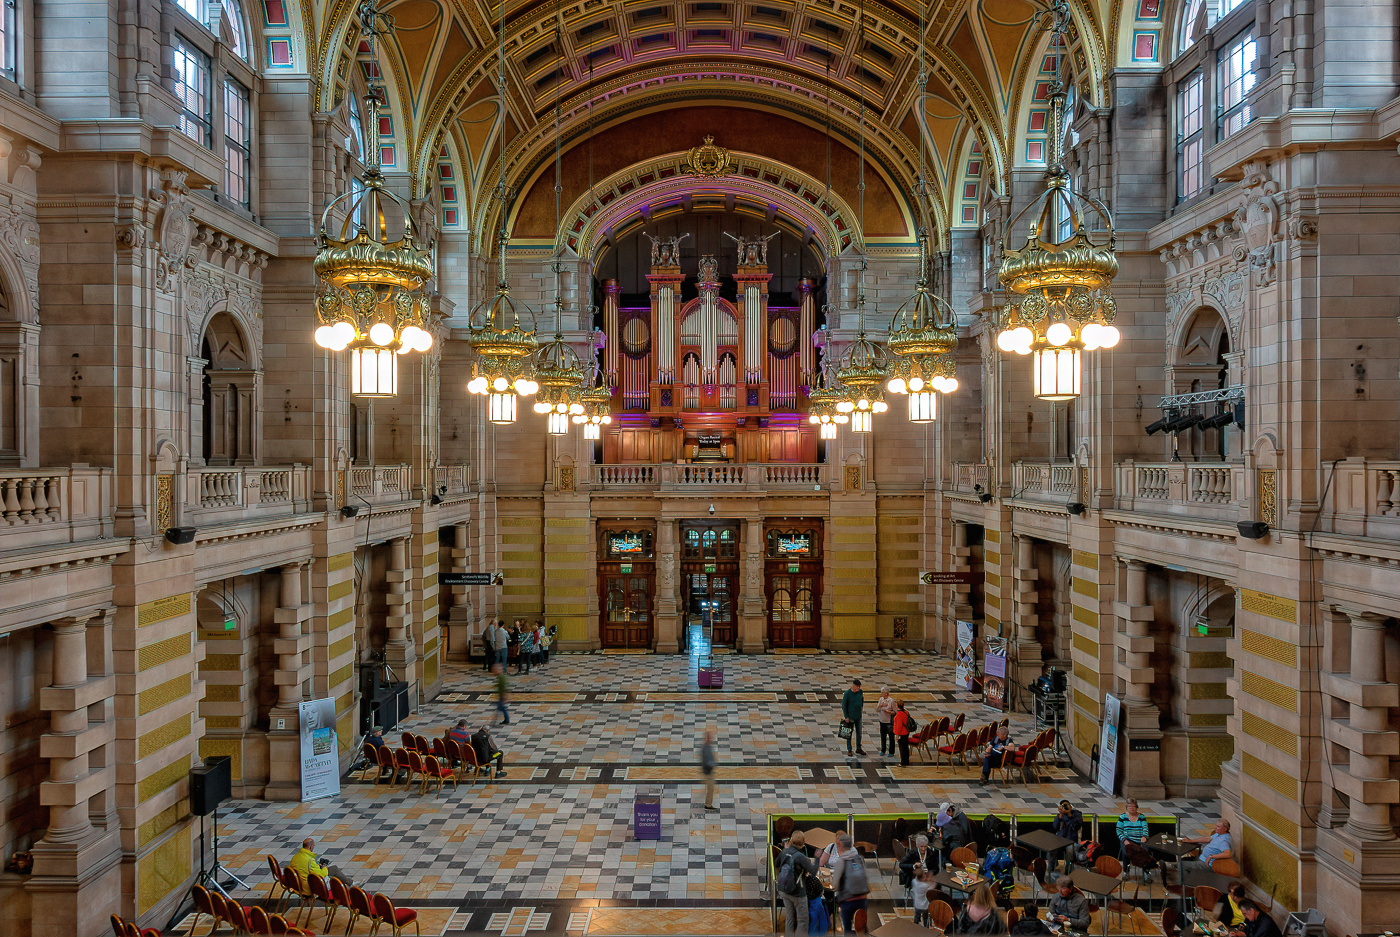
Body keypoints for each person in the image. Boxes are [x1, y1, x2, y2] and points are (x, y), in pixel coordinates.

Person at [777, 830, 817, 936]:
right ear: (803, 842)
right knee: (803, 920)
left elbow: (776, 863)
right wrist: (817, 860)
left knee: (790, 918)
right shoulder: (800, 856)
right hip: (798, 892)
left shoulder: (785, 851)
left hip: (784, 890)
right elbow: (813, 871)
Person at [829, 832, 869, 937]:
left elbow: (835, 883)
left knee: (848, 929)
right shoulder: (858, 857)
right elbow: (865, 876)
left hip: (848, 900)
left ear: (840, 845)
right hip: (862, 898)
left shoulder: (842, 861)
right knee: (861, 927)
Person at [1052, 799, 1083, 870]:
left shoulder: (1077, 814)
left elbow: (1076, 826)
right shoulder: (1060, 816)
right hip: (1060, 840)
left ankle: (1068, 871)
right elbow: (1055, 827)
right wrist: (1060, 815)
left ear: (1070, 806)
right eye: (1063, 806)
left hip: (1071, 841)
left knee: (1070, 851)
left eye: (1066, 805)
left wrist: (1069, 815)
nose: (1065, 807)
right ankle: (1052, 869)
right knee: (1051, 850)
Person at [842, 678, 866, 757]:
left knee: (859, 733)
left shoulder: (860, 692)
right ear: (853, 686)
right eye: (857, 686)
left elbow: (861, 701)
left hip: (858, 716)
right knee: (849, 733)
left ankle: (858, 748)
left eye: (859, 687)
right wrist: (846, 716)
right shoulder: (847, 694)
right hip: (850, 716)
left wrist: (860, 709)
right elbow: (844, 706)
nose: (858, 688)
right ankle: (849, 749)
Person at [876, 687, 897, 757]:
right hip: (882, 720)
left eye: (882, 692)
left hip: (889, 722)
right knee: (883, 736)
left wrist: (889, 712)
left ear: (886, 693)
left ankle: (891, 751)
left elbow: (895, 711)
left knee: (891, 737)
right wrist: (881, 705)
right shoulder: (881, 699)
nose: (881, 694)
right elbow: (877, 709)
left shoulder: (891, 701)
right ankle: (883, 749)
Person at [699, 730, 717, 811]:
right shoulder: (705, 748)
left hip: (708, 771)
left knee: (710, 788)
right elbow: (706, 761)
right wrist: (712, 764)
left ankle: (708, 804)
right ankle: (708, 805)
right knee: (711, 788)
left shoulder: (708, 747)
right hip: (708, 771)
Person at [892, 699, 913, 766]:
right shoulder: (906, 712)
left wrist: (897, 734)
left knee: (902, 748)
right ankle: (906, 760)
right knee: (905, 747)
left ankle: (903, 762)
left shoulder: (899, 714)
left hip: (902, 733)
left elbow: (899, 726)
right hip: (906, 732)